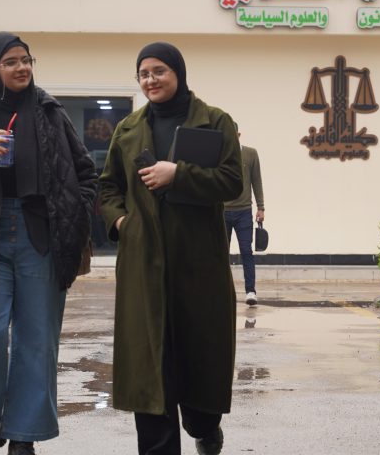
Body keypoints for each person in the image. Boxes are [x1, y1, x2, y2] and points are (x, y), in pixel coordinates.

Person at [0, 32, 97, 455]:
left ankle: (24, 435)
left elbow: (86, 173)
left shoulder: (51, 114)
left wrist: (75, 213)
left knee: (36, 340)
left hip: (41, 236)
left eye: (26, 59)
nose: (22, 67)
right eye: (10, 62)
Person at [98, 42, 242, 455]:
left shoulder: (214, 121)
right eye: (143, 74)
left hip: (198, 261)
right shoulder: (127, 130)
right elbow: (107, 187)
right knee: (150, 367)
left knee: (199, 360)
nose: (151, 80)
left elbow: (232, 181)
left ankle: (204, 426)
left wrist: (178, 174)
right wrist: (121, 222)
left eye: (159, 71)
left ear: (178, 72)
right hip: (143, 262)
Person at [223, 124, 265, 305]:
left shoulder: (250, 154)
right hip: (222, 212)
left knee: (246, 251)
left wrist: (261, 207)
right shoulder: (218, 155)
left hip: (244, 212)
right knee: (221, 254)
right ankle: (222, 291)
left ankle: (250, 291)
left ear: (238, 135)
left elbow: (257, 181)